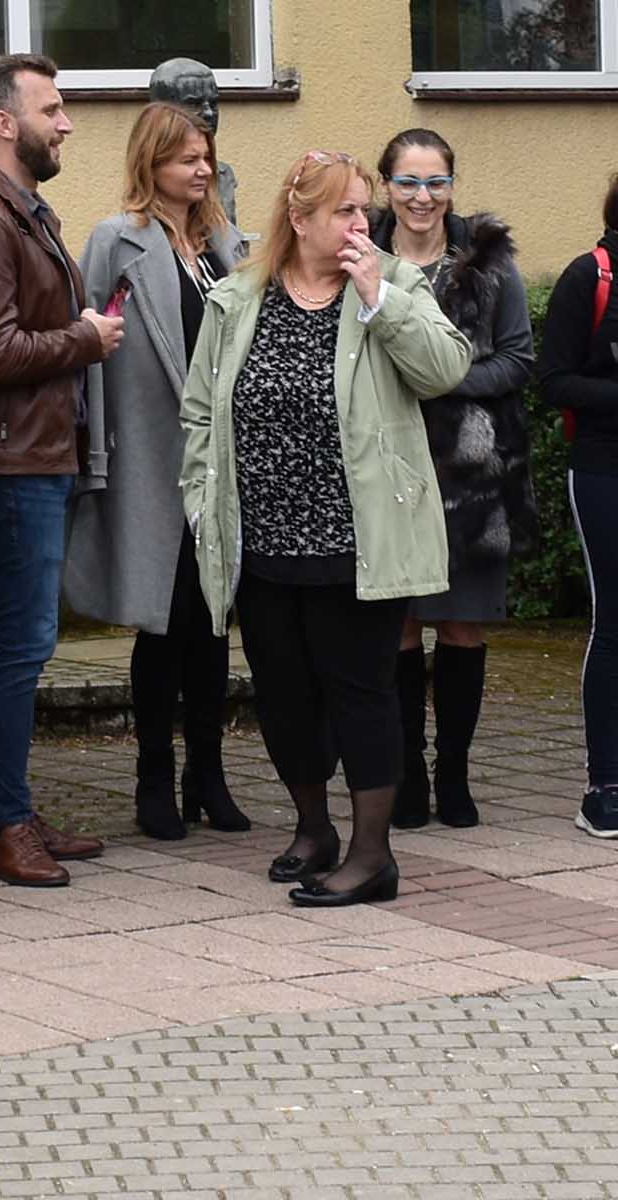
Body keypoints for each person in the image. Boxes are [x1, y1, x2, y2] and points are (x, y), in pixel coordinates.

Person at [181, 150, 470, 907]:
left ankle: (372, 856)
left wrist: (379, 296)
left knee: (362, 692)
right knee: (283, 694)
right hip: (263, 540)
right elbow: (200, 409)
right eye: (343, 211)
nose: (358, 225)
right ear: (299, 218)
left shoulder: (393, 282)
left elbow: (445, 369)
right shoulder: (240, 296)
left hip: (358, 541)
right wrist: (201, 499)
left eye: (362, 210)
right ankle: (314, 830)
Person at [0, 54, 117, 887]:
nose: (66, 123)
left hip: (35, 452)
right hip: (11, 460)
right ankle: (0, 826)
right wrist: (86, 338)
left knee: (24, 643)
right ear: (5, 123)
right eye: (52, 109)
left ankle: (10, 808)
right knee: (17, 645)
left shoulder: (18, 209)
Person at [69, 102, 252, 841]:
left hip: (219, 464)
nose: (201, 169)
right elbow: (87, 347)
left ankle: (207, 774)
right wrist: (96, 455)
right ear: (152, 163)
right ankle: (153, 776)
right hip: (149, 452)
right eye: (185, 159)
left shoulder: (227, 245)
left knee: (213, 621)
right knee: (162, 622)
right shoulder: (117, 240)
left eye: (205, 156)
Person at [370, 128, 537, 831]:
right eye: (408, 181)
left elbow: (519, 360)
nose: (422, 197)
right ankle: (407, 774)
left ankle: (455, 773)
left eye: (436, 182)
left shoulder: (490, 265)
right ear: (387, 186)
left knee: (462, 625)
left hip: (472, 476)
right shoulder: (361, 257)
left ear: (451, 187)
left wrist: (443, 380)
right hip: (390, 469)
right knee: (401, 625)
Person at [537, 172, 618, 840]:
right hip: (604, 469)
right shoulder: (589, 276)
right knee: (614, 623)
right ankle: (604, 788)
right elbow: (553, 380)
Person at [147, 59, 238, 224]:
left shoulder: (224, 176)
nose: (209, 113)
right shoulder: (148, 176)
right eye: (194, 103)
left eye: (213, 103)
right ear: (162, 111)